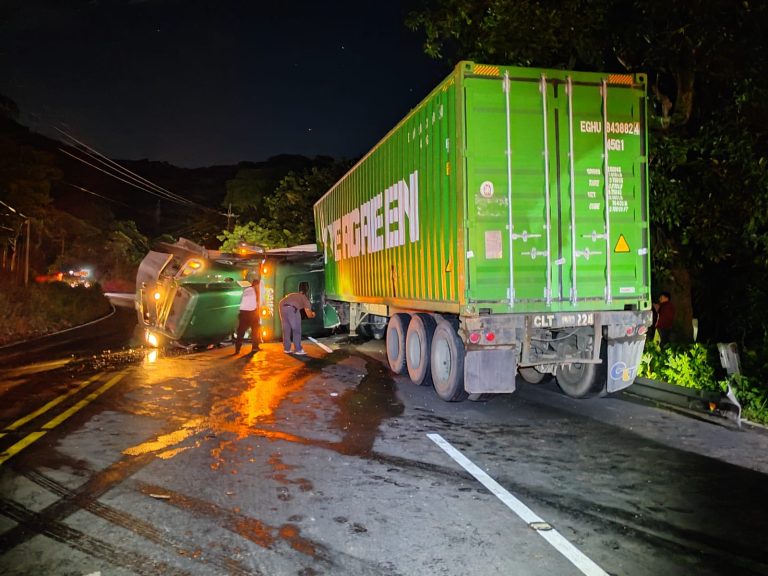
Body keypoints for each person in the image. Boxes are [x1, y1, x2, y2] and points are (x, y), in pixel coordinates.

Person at [234, 278, 260, 354]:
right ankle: (255, 347)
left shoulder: (246, 290)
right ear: (257, 285)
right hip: (252, 313)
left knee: (241, 332)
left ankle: (237, 349)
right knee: (255, 330)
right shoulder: (255, 291)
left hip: (243, 313)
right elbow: (257, 303)